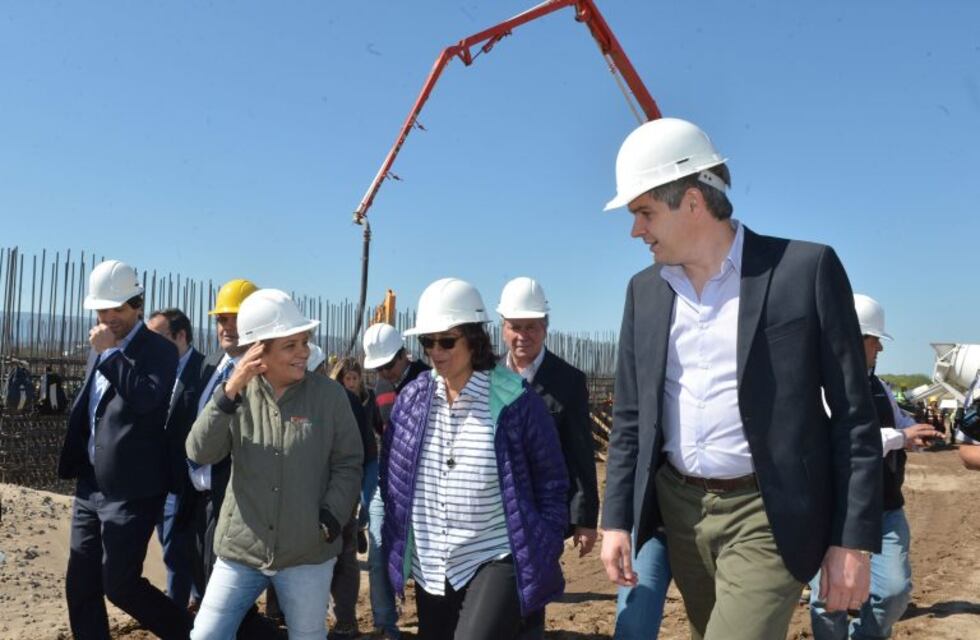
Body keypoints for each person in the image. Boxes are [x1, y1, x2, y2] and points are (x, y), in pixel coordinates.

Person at [599, 118, 883, 640]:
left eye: (643, 212)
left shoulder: (804, 271)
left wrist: (852, 540)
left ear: (691, 201)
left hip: (768, 513)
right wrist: (617, 519)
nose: (635, 230)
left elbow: (853, 416)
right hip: (681, 514)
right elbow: (631, 418)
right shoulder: (645, 292)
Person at [381, 277, 568, 640]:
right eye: (427, 342)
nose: (436, 351)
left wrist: (545, 541)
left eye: (447, 340)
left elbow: (551, 479)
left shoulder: (516, 401)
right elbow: (392, 475)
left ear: (473, 337)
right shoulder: (412, 400)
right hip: (432, 565)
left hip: (496, 554)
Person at [186, 288, 363, 639]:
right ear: (259, 351)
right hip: (241, 550)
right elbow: (199, 451)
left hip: (307, 552)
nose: (304, 353)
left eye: (305, 342)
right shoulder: (236, 394)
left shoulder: (330, 397)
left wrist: (330, 518)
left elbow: (349, 463)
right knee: (205, 635)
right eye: (291, 345)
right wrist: (230, 390)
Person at [58, 259, 191, 639]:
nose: (108, 316)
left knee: (119, 584)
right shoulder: (99, 345)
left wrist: (111, 356)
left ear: (137, 305)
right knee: (80, 583)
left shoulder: (158, 351)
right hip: (90, 486)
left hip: (133, 490)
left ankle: (190, 634)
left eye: (117, 309)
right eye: (102, 309)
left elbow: (147, 400)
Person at [809, 294, 940, 639]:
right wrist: (899, 436)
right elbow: (845, 442)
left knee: (894, 592)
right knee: (828, 599)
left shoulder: (879, 387)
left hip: (884, 509)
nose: (879, 349)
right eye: (875, 340)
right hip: (832, 512)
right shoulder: (818, 388)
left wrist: (914, 436)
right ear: (854, 338)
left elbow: (898, 426)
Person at [495, 277, 606, 639]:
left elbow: (580, 453)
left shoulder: (568, 381)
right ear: (503, 327)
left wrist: (585, 519)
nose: (522, 335)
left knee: (532, 595)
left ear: (545, 326)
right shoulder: (486, 377)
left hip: (544, 512)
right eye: (515, 327)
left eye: (531, 327)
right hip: (494, 511)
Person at [361, 321, 431, 639]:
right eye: (378, 367)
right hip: (386, 482)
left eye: (389, 365)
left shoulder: (429, 380)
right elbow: (379, 430)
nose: (385, 372)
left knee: (424, 562)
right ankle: (386, 626)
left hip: (423, 487)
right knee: (378, 554)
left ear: (404, 355)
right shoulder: (379, 388)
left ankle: (435, 625)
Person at [191, 277, 258, 590]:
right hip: (199, 499)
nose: (227, 327)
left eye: (236, 320)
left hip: (232, 504)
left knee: (224, 597)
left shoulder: (263, 378)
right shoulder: (212, 367)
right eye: (221, 320)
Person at [148, 307, 206, 609]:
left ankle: (175, 618)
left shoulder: (204, 371)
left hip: (187, 482)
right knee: (175, 549)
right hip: (157, 477)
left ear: (181, 336)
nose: (150, 345)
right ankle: (196, 599)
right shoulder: (155, 369)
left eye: (158, 337)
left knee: (176, 553)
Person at [327, 356, 381, 640]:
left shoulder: (355, 402)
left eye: (354, 378)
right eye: (346, 378)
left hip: (344, 488)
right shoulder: (333, 399)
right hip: (334, 490)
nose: (351, 383)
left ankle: (345, 621)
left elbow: (364, 451)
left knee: (343, 555)